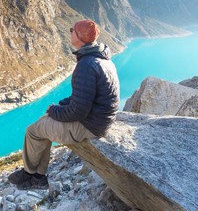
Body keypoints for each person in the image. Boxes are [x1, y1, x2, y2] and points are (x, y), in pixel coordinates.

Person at [8, 19, 120, 190]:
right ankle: (37, 175)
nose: (69, 32)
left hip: (90, 125)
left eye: (72, 30)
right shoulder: (101, 58)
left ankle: (32, 175)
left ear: (79, 37)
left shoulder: (86, 65)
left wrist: (55, 110)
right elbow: (86, 95)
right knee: (43, 123)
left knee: (33, 131)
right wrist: (62, 105)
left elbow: (78, 111)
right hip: (99, 120)